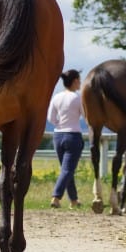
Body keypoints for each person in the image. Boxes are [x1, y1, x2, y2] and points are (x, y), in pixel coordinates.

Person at [47, 69, 84, 209]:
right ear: (74, 81)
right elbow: (85, 116)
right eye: (79, 80)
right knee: (68, 170)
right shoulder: (77, 97)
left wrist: (59, 125)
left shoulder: (56, 97)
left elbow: (50, 117)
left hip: (58, 136)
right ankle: (56, 197)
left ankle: (74, 200)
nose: (80, 82)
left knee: (66, 169)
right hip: (73, 135)